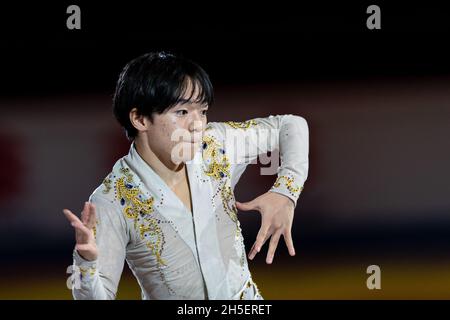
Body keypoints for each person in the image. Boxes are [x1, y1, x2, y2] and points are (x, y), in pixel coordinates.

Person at [63, 51, 309, 300]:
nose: (197, 125)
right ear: (139, 119)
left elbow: (291, 126)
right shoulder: (113, 200)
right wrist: (86, 263)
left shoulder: (215, 145)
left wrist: (285, 191)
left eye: (202, 111)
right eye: (182, 112)